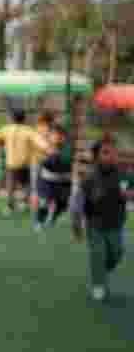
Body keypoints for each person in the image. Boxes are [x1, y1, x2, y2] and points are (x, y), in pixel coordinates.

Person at [70, 140, 128, 302]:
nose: (111, 156)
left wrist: (129, 194)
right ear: (96, 157)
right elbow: (77, 204)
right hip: (95, 224)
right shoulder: (89, 178)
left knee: (117, 253)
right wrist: (76, 226)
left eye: (113, 152)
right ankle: (98, 285)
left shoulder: (122, 174)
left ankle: (102, 270)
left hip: (116, 223)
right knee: (98, 255)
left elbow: (130, 188)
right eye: (106, 152)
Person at [0, 109, 51, 215]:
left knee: (11, 185)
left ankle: (9, 206)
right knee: (26, 184)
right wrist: (48, 149)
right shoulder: (28, 130)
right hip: (25, 162)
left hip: (11, 162)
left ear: (12, 118)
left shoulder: (6, 129)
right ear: (24, 118)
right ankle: (24, 202)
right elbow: (39, 141)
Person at [33, 124, 72, 231]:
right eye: (54, 135)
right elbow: (43, 162)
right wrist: (49, 157)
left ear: (63, 137)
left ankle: (53, 217)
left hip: (63, 180)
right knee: (45, 202)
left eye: (59, 135)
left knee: (63, 203)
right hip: (47, 180)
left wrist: (57, 156)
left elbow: (67, 161)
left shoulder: (67, 148)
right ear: (50, 136)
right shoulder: (46, 147)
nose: (57, 137)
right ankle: (39, 221)